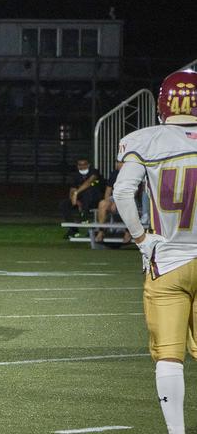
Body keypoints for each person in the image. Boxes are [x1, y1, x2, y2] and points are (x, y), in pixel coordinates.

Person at [112, 69, 197, 434]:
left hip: (168, 260)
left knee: (169, 355)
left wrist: (141, 238)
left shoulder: (144, 140)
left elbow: (120, 193)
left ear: (163, 105)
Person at [61, 158, 103, 238]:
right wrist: (74, 199)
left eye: (84, 164)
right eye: (80, 165)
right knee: (64, 204)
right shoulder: (76, 175)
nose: (82, 166)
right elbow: (72, 189)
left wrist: (76, 193)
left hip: (95, 198)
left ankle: (85, 216)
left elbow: (89, 182)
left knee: (88, 191)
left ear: (88, 165)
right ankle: (73, 230)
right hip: (81, 199)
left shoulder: (93, 171)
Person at [94, 161, 131, 245]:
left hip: (128, 197)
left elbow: (133, 192)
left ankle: (128, 233)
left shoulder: (132, 174)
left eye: (120, 162)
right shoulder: (114, 173)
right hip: (114, 197)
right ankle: (101, 231)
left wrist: (117, 203)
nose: (117, 164)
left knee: (127, 205)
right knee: (102, 203)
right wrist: (108, 201)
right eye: (117, 162)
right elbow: (108, 190)